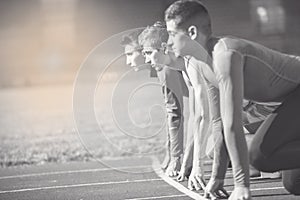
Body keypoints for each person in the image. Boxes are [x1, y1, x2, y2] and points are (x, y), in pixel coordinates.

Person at [165, 0, 300, 199]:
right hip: (292, 99)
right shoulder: (201, 63)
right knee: (294, 184)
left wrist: (241, 185)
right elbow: (219, 123)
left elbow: (232, 123)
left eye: (172, 34)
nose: (167, 42)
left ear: (192, 33)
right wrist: (218, 177)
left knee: (260, 155)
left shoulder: (226, 55)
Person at [138, 21, 213, 188]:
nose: (146, 59)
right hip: (240, 112)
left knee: (220, 148)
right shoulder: (184, 69)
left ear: (164, 47)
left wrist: (197, 165)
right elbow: (195, 115)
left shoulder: (190, 64)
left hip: (259, 107)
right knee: (214, 149)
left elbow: (204, 116)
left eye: (148, 53)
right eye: (143, 53)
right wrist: (187, 156)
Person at [121, 28, 188, 177]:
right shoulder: (161, 67)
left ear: (143, 50)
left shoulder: (165, 69)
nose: (128, 61)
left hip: (245, 109)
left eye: (130, 54)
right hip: (233, 111)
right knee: (212, 152)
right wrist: (169, 151)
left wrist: (175, 158)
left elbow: (175, 113)